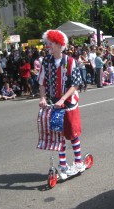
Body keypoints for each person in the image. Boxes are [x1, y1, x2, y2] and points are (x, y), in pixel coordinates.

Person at [38, 29, 86, 175]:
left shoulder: (70, 61)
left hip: (69, 103)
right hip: (54, 103)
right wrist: (42, 97)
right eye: (48, 43)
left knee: (72, 133)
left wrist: (63, 99)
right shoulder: (46, 61)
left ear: (59, 44)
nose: (48, 46)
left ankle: (78, 162)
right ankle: (63, 164)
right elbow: (42, 81)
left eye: (50, 44)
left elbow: (76, 84)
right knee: (58, 134)